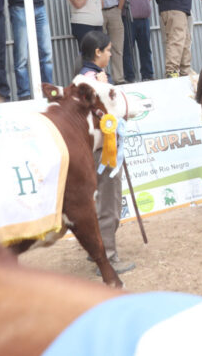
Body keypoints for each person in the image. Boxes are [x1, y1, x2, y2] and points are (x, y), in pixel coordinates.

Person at [75, 30, 135, 276]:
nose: (110, 54)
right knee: (109, 203)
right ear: (97, 52)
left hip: (90, 150)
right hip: (103, 150)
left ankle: (95, 249)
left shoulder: (81, 79)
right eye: (108, 50)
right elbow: (120, 109)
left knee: (99, 203)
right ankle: (107, 257)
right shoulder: (95, 83)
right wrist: (105, 85)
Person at [91, 0, 126, 82]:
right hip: (98, 13)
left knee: (117, 47)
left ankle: (119, 78)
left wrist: (119, 8)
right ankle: (103, 78)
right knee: (100, 48)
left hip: (114, 11)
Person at [120, 0, 154, 83]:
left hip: (144, 20)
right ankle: (130, 77)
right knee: (128, 50)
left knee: (145, 49)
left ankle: (147, 75)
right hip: (128, 20)